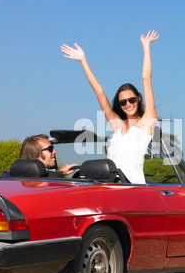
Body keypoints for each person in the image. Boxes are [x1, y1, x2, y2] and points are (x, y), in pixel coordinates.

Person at [60, 30, 159, 183]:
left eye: (131, 100)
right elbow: (99, 92)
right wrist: (83, 61)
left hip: (133, 189)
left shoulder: (147, 123)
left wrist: (146, 46)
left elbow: (146, 78)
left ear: (139, 99)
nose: (128, 104)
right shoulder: (117, 125)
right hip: (109, 187)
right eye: (123, 102)